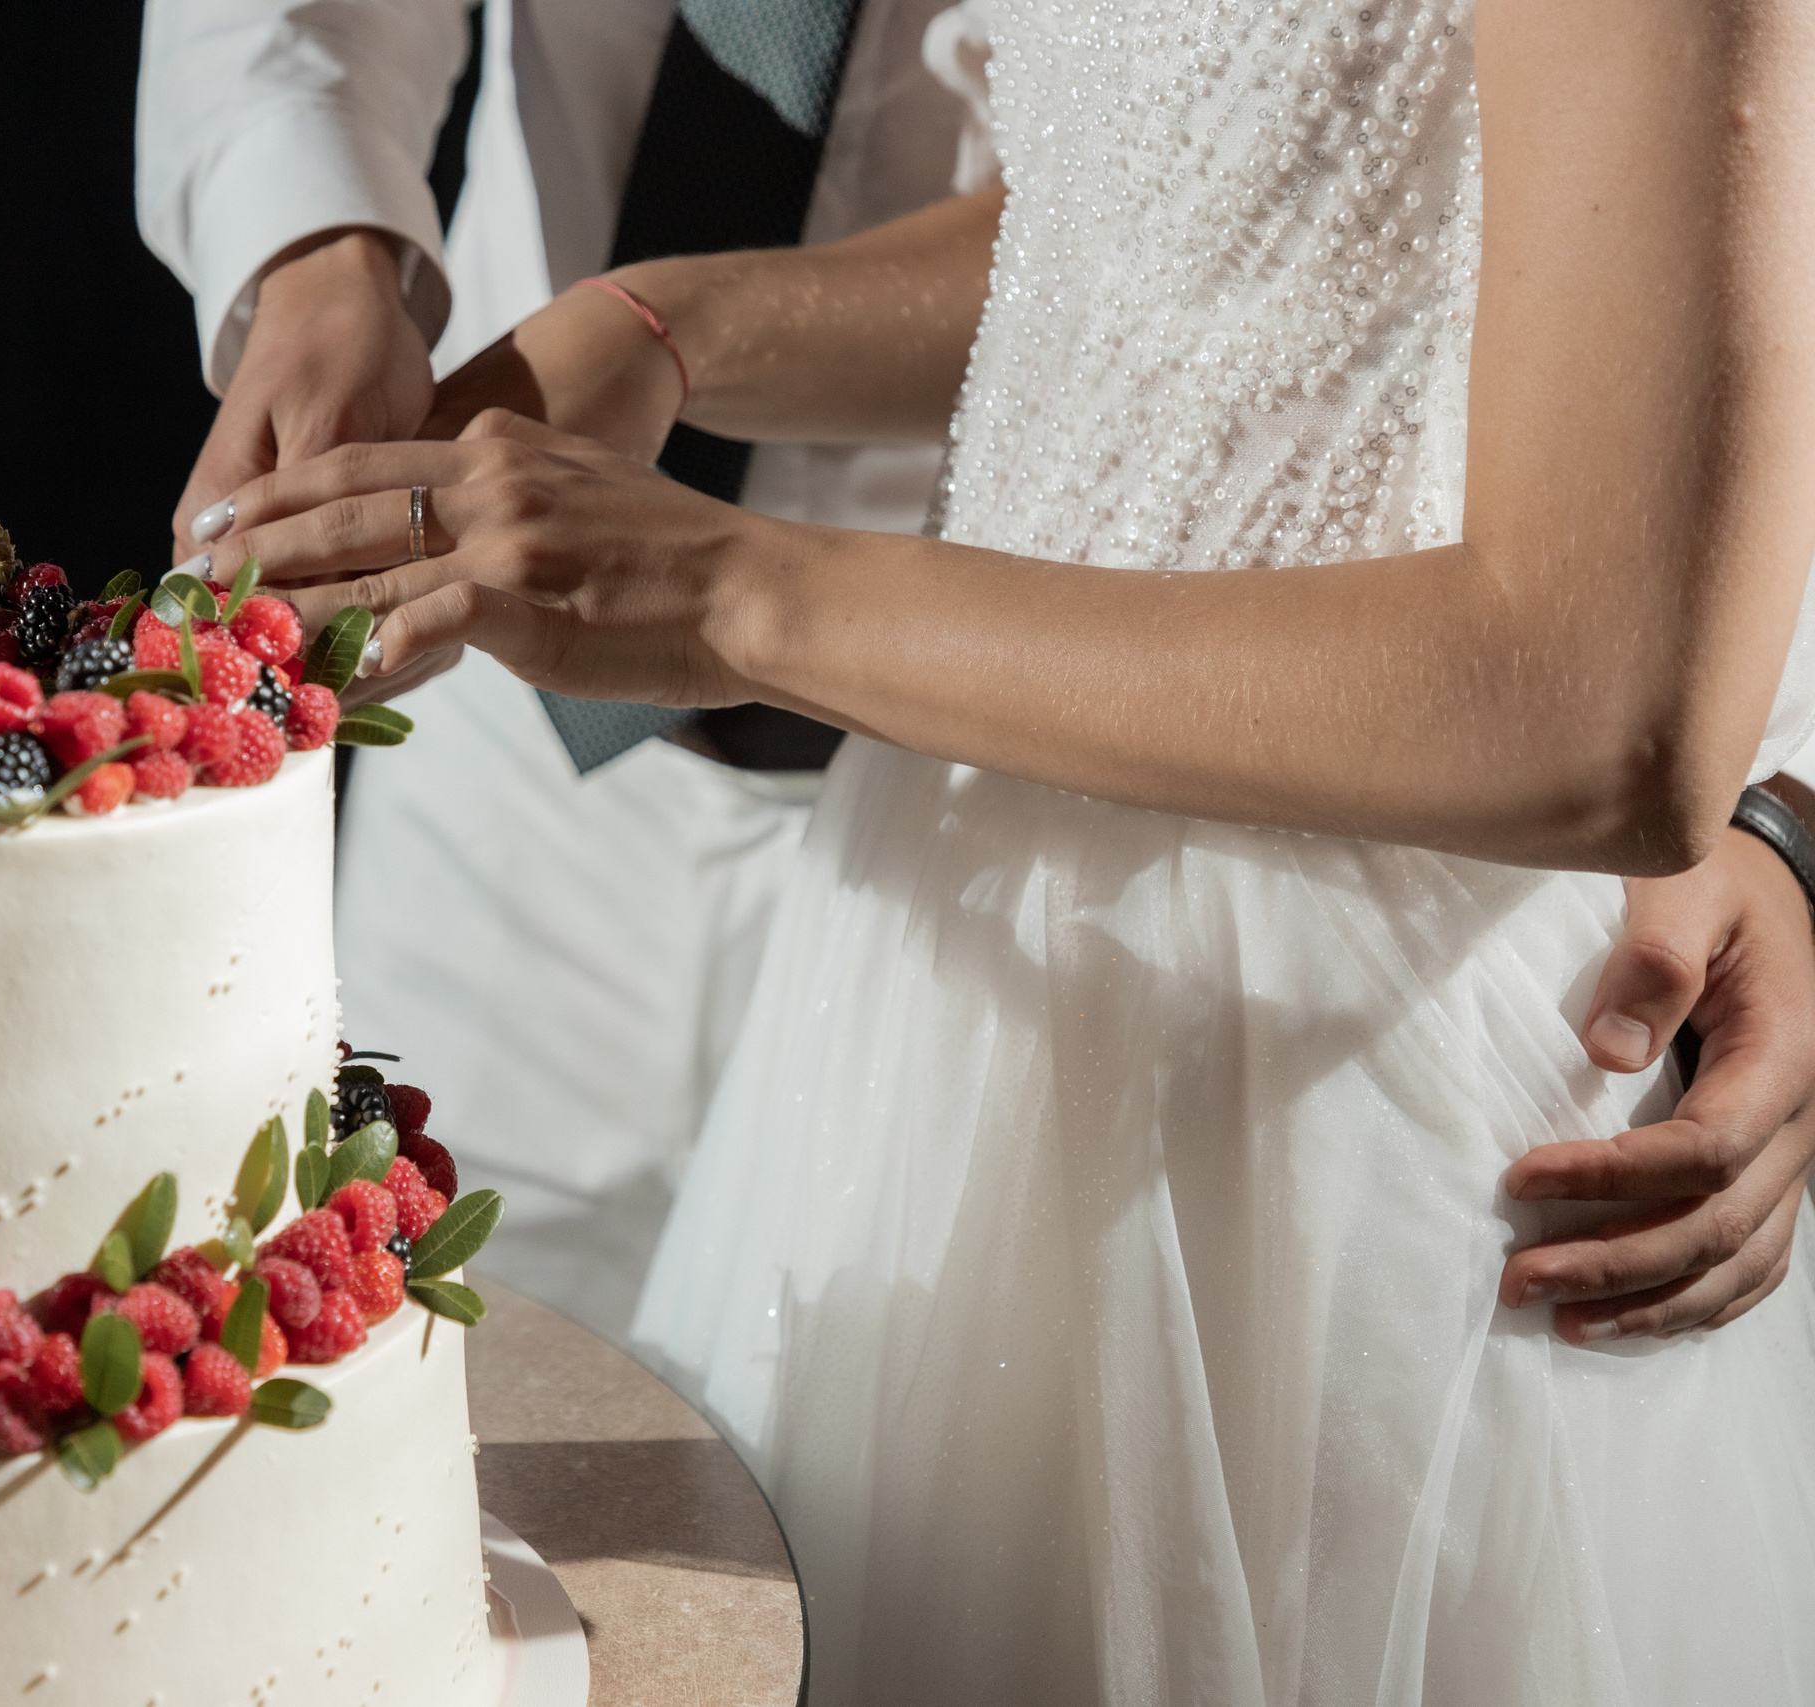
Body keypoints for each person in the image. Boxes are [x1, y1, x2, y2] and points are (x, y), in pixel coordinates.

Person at [179, 0, 1815, 1695]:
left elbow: (1608, 694)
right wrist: (673, 323)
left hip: (1322, 1061)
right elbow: (1181, 199)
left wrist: (734, 593)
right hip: (917, 962)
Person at [137, 0, 983, 1336]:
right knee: (431, 1402)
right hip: (496, 727)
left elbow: (1170, 214)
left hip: (975, 747)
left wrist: (664, 333)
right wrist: (318, 256)